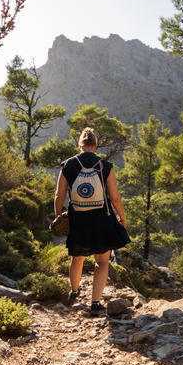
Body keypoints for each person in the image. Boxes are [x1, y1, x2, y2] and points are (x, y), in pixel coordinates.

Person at [54, 127, 130, 316]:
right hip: (102, 219)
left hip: (78, 219)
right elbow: (115, 197)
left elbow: (59, 195)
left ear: (80, 145)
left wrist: (58, 216)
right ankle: (95, 303)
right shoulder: (105, 165)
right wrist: (122, 217)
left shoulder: (68, 165)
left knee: (77, 257)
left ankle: (74, 292)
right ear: (95, 146)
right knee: (102, 261)